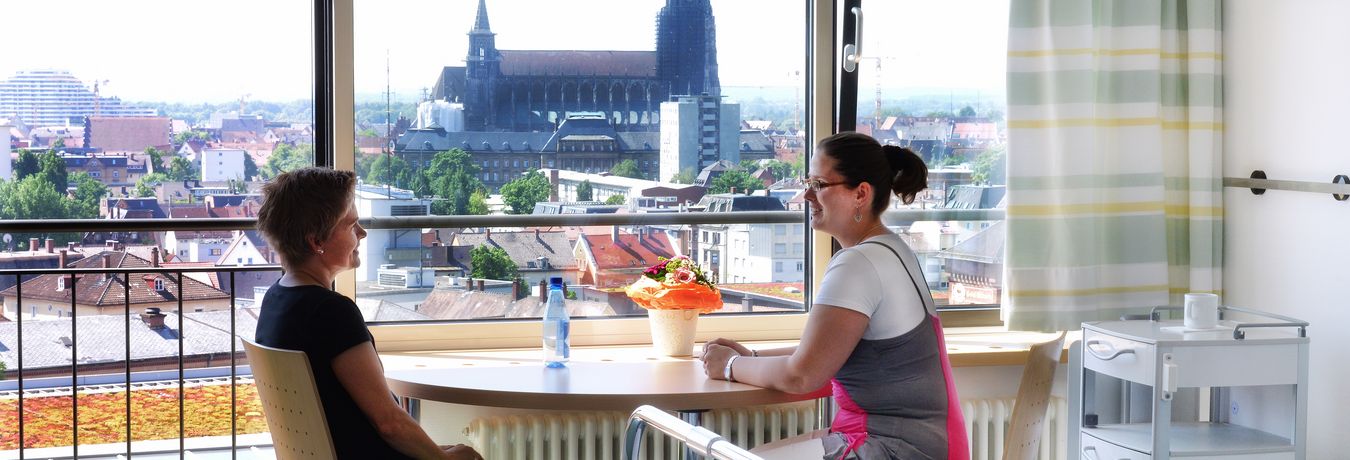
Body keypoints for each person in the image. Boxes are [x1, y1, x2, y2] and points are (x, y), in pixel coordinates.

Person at [700, 132, 969, 459]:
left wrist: (730, 366)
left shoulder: (858, 263)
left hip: (896, 448)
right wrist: (753, 357)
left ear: (861, 194)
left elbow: (802, 375)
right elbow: (829, 351)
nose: (806, 195)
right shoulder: (892, 248)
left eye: (818, 185)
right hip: (922, 444)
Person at [254, 167, 482, 460]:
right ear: (317, 242)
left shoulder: (275, 300)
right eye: (351, 226)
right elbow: (390, 424)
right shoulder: (331, 312)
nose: (362, 233)